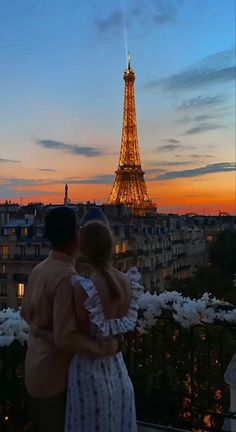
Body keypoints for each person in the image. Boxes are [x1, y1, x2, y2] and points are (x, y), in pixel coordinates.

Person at [21, 207, 118, 432]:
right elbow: (66, 337)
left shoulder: (39, 269)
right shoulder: (67, 278)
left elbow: (26, 313)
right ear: (75, 235)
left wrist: (38, 329)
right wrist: (102, 348)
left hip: (34, 367)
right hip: (55, 376)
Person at [65, 220, 143, 432]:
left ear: (83, 249)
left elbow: (81, 334)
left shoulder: (84, 288)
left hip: (89, 375)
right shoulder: (129, 282)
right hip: (118, 372)